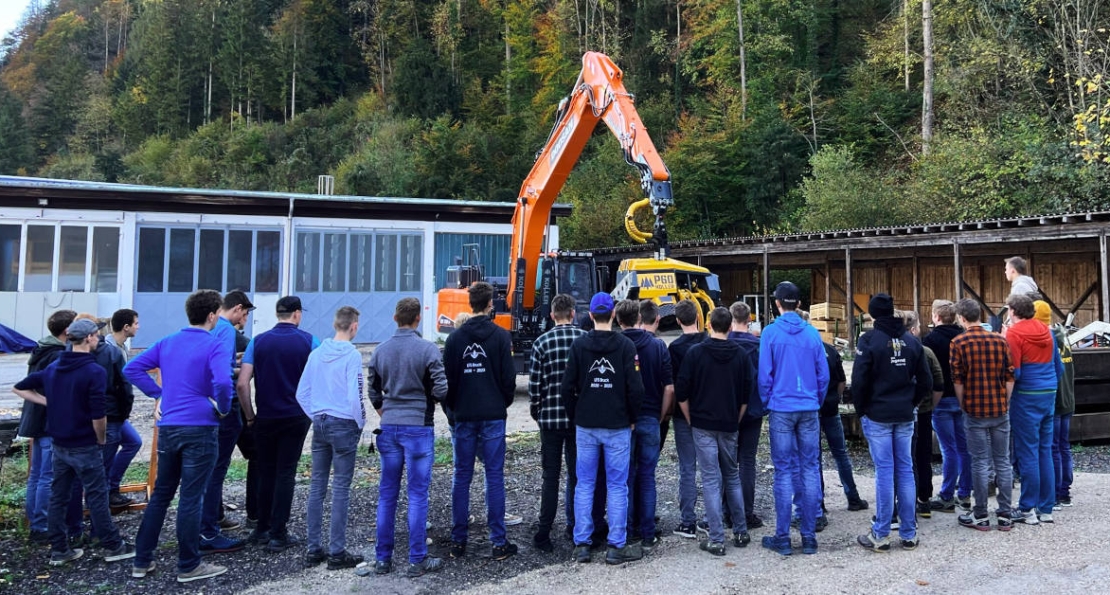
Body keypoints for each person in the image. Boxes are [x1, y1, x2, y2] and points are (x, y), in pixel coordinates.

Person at [125, 289, 233, 583]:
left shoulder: (167, 341)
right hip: (200, 426)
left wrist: (160, 395)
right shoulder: (215, 343)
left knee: (161, 494)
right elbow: (223, 381)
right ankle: (188, 564)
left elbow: (132, 368)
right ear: (212, 315)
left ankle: (141, 560)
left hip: (170, 426)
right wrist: (222, 408)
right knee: (191, 497)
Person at [12, 319, 136, 567]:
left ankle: (60, 549)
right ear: (90, 338)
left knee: (59, 496)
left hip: (60, 444)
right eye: (96, 335)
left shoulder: (55, 368)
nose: (99, 338)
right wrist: (100, 438)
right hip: (85, 443)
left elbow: (19, 388)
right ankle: (113, 545)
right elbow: (98, 414)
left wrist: (48, 402)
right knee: (97, 495)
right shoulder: (93, 371)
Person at [562, 292, 645, 565]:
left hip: (586, 425)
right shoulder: (625, 346)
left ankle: (582, 544)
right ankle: (616, 546)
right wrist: (632, 417)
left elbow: (567, 388)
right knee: (617, 486)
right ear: (612, 315)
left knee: (584, 484)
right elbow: (636, 388)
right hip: (618, 425)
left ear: (592, 316)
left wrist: (577, 415)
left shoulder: (579, 346)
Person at [368, 298, 447, 577]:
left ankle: (382, 559)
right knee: (417, 495)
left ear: (395, 317)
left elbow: (374, 390)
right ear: (417, 320)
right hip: (418, 427)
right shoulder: (427, 350)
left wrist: (386, 412)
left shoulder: (380, 351)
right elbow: (441, 389)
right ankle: (416, 559)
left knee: (387, 495)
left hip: (389, 428)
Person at [443, 282, 519, 561]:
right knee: (494, 475)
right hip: (492, 415)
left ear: (469, 304)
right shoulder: (500, 337)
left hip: (464, 415)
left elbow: (447, 381)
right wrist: (500, 403)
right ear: (490, 305)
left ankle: (458, 541)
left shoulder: (454, 339)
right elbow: (508, 379)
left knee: (461, 477)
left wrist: (455, 408)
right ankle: (498, 541)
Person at [237, 296, 318, 553]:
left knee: (265, 470)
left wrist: (250, 415)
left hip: (266, 415)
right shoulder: (309, 341)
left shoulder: (258, 341)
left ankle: (261, 527)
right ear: (296, 314)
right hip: (296, 416)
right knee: (285, 473)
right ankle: (278, 533)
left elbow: (242, 384)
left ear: (277, 313)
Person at [852, 294, 931, 552]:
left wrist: (861, 409)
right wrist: (912, 403)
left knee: (885, 472)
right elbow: (927, 381)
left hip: (878, 414)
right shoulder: (911, 340)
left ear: (873, 315)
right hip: (904, 413)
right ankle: (909, 532)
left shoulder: (869, 340)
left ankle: (881, 533)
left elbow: (860, 380)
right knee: (905, 470)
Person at [528, 293, 604, 552]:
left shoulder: (541, 343)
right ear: (573, 313)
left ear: (552, 316)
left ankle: (543, 533)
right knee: (577, 476)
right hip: (578, 420)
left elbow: (534, 386)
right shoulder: (584, 341)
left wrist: (537, 411)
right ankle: (575, 527)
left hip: (549, 419)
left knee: (551, 477)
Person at [758, 282, 829, 556]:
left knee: (784, 470)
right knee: (810, 468)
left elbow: (765, 376)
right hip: (808, 406)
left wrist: (768, 402)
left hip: (782, 407)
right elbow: (823, 375)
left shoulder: (770, 333)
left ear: (777, 304)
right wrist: (816, 401)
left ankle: (783, 537)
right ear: (798, 304)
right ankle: (809, 536)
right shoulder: (812, 334)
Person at [676, 307, 752, 556]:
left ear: (709, 325)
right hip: (729, 422)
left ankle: (717, 538)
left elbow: (682, 391)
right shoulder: (741, 355)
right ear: (730, 327)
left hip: (702, 424)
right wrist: (736, 419)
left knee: (710, 478)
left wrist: (690, 418)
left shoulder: (696, 353)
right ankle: (741, 531)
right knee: (731, 475)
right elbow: (745, 394)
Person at [297, 306, 366, 568]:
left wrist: (315, 415)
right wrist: (360, 423)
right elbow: (355, 395)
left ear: (335, 324)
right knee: (340, 489)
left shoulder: (316, 354)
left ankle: (314, 548)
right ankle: (337, 551)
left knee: (317, 487)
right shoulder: (352, 356)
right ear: (354, 326)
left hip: (321, 422)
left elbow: (301, 393)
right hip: (343, 422)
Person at [949, 298, 1015, 531]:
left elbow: (958, 380)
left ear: (962, 318)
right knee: (1003, 462)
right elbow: (1009, 375)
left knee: (979, 462)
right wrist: (1004, 401)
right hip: (999, 407)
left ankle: (981, 514)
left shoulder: (958, 342)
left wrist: (963, 403)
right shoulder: (1000, 340)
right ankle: (1005, 514)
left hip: (974, 408)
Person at [200, 290, 254, 554]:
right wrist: (224, 407)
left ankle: (214, 516)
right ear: (238, 308)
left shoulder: (208, 329)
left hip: (203, 404)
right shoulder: (226, 331)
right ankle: (208, 531)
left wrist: (237, 363)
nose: (245, 320)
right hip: (226, 405)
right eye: (245, 314)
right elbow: (221, 375)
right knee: (216, 469)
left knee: (209, 468)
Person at [617, 299, 673, 551]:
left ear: (619, 320)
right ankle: (648, 532)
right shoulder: (658, 346)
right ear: (639, 317)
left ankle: (627, 532)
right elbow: (669, 388)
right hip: (651, 417)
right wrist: (661, 416)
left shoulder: (618, 345)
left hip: (625, 421)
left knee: (626, 477)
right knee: (648, 476)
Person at [1005, 294, 1063, 524]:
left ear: (1012, 311)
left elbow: (1015, 372)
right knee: (1044, 450)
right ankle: (1046, 508)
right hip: (1048, 392)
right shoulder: (1047, 331)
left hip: (1026, 395)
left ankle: (1027, 507)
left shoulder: (1014, 333)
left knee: (1027, 451)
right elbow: (1059, 368)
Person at [19, 309, 76, 543]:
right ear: (67, 331)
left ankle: (35, 522)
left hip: (34, 418)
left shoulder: (41, 349)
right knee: (47, 476)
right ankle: (42, 526)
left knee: (36, 475)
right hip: (48, 421)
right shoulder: (57, 355)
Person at [813, 321, 868, 516]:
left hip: (812, 409)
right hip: (830, 407)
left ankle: (819, 503)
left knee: (815, 457)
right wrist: (834, 399)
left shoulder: (806, 352)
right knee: (840, 454)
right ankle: (853, 497)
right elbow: (842, 381)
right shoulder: (831, 350)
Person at [923, 300, 971, 514]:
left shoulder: (931, 340)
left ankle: (946, 494)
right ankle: (965, 492)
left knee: (948, 448)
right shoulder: (963, 337)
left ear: (936, 317)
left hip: (941, 397)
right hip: (962, 397)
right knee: (964, 447)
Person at [726, 301, 770, 528]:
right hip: (753, 410)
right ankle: (747, 512)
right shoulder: (760, 346)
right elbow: (765, 378)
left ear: (732, 320)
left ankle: (728, 512)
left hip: (729, 411)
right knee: (747, 462)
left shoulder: (724, 343)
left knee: (727, 461)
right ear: (749, 320)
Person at [667, 300, 706, 538]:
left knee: (687, 468)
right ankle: (712, 518)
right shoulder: (708, 342)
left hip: (683, 415)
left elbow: (673, 385)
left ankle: (687, 521)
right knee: (713, 469)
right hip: (709, 414)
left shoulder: (675, 349)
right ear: (697, 318)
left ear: (679, 321)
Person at [903, 310, 943, 519]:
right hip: (925, 410)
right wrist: (931, 405)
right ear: (913, 329)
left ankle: (905, 503)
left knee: (904, 459)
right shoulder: (925, 351)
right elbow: (937, 382)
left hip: (902, 411)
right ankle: (924, 500)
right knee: (923, 456)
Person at [101, 308, 143, 508]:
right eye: (136, 323)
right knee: (105, 457)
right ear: (126, 327)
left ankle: (111, 487)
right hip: (110, 414)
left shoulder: (121, 346)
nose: (138, 326)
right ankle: (106, 494)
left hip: (118, 413)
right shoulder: (109, 349)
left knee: (133, 442)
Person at [1037, 302, 1075, 510]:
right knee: (1063, 446)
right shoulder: (1063, 335)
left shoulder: (1048, 340)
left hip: (1057, 400)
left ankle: (1056, 493)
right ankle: (1065, 492)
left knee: (1053, 448)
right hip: (1068, 398)